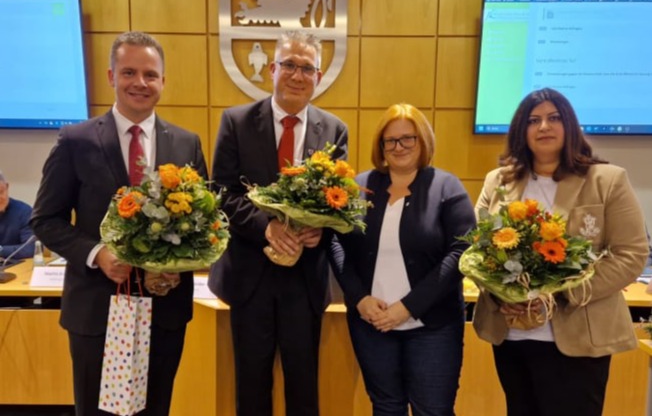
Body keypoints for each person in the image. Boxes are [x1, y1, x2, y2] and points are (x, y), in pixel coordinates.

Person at [30, 31, 207, 416]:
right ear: (112, 76)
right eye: (129, 72)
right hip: (97, 308)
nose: (140, 82)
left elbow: (203, 226)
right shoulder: (76, 140)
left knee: (155, 408)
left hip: (164, 310)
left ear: (163, 81)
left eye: (150, 74)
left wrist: (178, 265)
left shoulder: (186, 143)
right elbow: (45, 218)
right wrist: (97, 254)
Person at [472, 88, 649, 416]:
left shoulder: (606, 180)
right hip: (513, 335)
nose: (544, 126)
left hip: (579, 338)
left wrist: (559, 294)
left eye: (553, 118)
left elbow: (631, 254)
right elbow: (478, 251)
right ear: (521, 130)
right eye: (533, 120)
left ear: (569, 125)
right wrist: (502, 294)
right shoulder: (498, 182)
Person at [208, 30, 348, 416]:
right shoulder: (236, 121)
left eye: (307, 68)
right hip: (250, 278)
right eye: (289, 65)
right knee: (251, 387)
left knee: (304, 387)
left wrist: (321, 228)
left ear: (318, 77)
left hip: (304, 280)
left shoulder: (334, 130)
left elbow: (339, 201)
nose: (297, 75)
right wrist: (265, 227)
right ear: (272, 69)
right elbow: (220, 193)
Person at [329, 103, 476, 416]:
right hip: (372, 324)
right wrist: (359, 299)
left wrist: (408, 307)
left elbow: (461, 251)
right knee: (385, 407)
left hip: (433, 327)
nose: (399, 147)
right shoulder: (358, 188)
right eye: (390, 140)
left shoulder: (447, 187)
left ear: (423, 141)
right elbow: (336, 243)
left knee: (433, 410)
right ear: (381, 146)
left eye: (408, 138)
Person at [0, 171, 35, 259]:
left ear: (7, 187)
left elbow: (30, 249)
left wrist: (1, 250)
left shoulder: (24, 212)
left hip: (14, 264)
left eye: (0, 192)